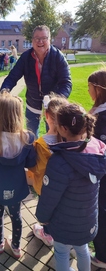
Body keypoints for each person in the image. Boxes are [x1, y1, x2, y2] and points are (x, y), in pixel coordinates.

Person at [36, 103, 106, 271]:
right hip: (88, 220)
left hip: (64, 224)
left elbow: (49, 197)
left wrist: (42, 216)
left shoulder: (59, 162)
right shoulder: (98, 149)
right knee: (83, 250)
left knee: (61, 252)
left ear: (63, 128)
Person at [0, 92, 37, 258]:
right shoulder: (27, 138)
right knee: (16, 216)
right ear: (19, 114)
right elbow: (31, 164)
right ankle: (17, 247)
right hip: (16, 186)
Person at [0, 25, 72, 138]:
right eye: (37, 38)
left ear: (49, 39)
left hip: (53, 109)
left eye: (44, 38)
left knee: (54, 139)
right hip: (32, 105)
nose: (40, 41)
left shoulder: (58, 57)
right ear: (32, 40)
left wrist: (57, 101)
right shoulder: (25, 57)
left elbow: (66, 83)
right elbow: (12, 77)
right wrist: (4, 91)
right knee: (30, 139)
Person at [29, 94, 68, 246]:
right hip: (66, 188)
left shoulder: (40, 144)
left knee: (47, 210)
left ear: (46, 116)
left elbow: (35, 168)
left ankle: (47, 234)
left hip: (45, 187)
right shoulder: (71, 140)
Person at [88, 69, 106, 269]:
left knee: (101, 211)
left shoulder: (101, 120)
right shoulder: (99, 112)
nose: (88, 91)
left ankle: (102, 256)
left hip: (101, 177)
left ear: (98, 89)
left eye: (90, 87)